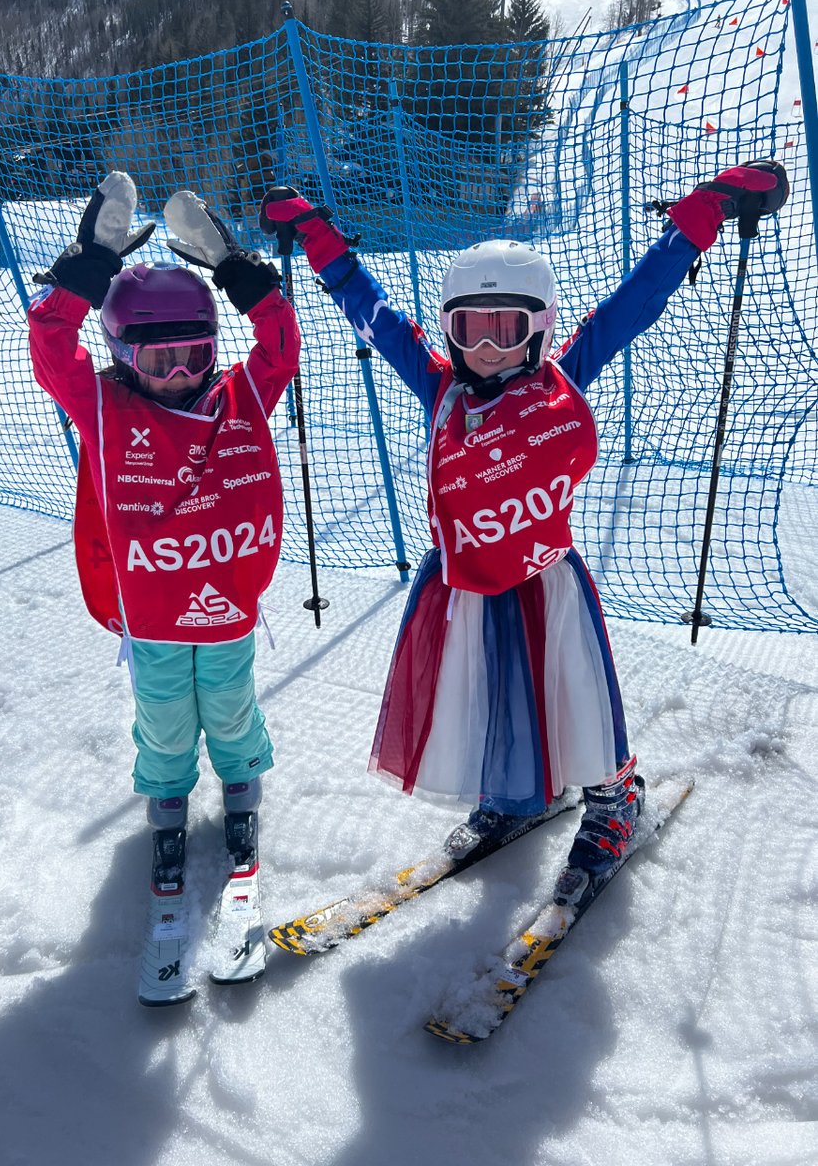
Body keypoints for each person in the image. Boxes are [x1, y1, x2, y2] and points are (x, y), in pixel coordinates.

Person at [259, 161, 788, 903]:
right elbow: (367, 307)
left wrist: (702, 216)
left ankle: (613, 799)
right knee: (487, 696)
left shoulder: (561, 380)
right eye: (471, 329)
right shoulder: (439, 386)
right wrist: (315, 235)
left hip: (546, 581)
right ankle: (516, 795)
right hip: (463, 583)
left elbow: (633, 305)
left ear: (536, 328)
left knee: (576, 694)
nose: (487, 348)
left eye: (506, 329)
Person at [28, 172, 300, 882]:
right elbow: (52, 348)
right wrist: (83, 275)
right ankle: (168, 799)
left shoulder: (237, 400)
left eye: (195, 355)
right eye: (159, 359)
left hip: (227, 609)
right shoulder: (106, 411)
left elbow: (280, 349)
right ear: (123, 354)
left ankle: (242, 786)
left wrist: (246, 281)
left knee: (233, 708)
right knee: (165, 718)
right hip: (151, 615)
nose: (181, 373)